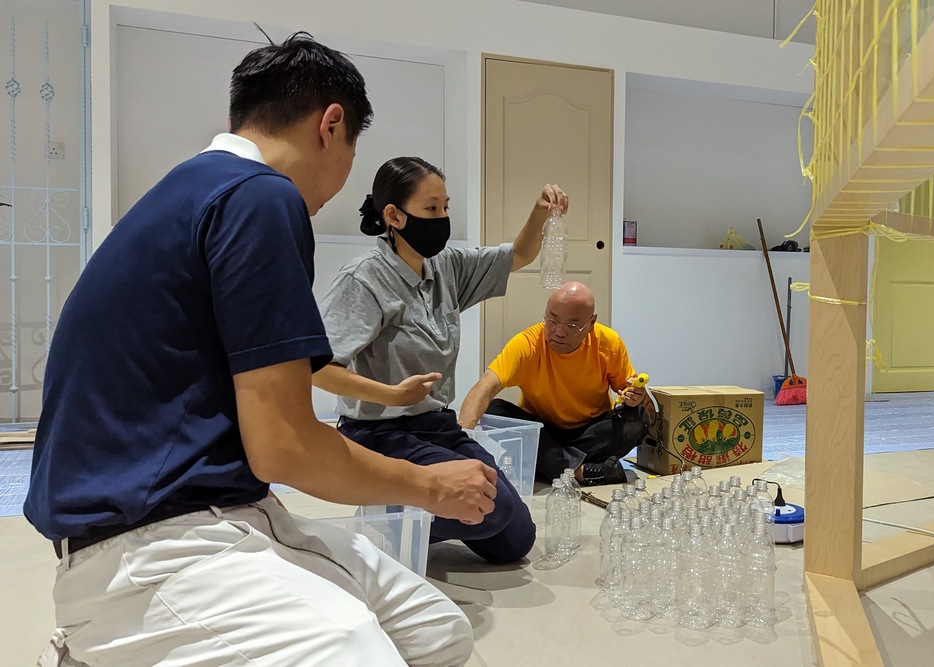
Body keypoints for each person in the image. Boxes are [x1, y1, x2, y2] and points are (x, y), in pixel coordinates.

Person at [25, 34, 488, 667]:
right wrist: (429, 486)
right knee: (358, 651)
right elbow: (284, 445)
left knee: (439, 631)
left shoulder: (192, 189)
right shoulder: (261, 196)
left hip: (237, 509)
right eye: (352, 150)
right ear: (331, 125)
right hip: (149, 540)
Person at [314, 156, 568, 564]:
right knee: (494, 509)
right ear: (394, 216)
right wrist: (391, 395)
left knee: (515, 540)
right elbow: (318, 368)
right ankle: (387, 508)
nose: (442, 218)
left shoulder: (446, 266)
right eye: (431, 208)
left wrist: (540, 213)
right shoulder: (364, 278)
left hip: (437, 427)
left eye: (445, 207)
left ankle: (412, 514)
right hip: (380, 435)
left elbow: (518, 255)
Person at [458, 281, 653, 487]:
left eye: (572, 326)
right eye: (552, 320)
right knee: (494, 409)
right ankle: (579, 472)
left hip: (590, 432)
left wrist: (635, 397)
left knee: (638, 418)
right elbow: (485, 386)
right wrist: (458, 442)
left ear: (591, 323)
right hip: (542, 431)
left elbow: (632, 394)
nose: (559, 332)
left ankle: (549, 465)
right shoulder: (527, 344)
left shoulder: (608, 343)